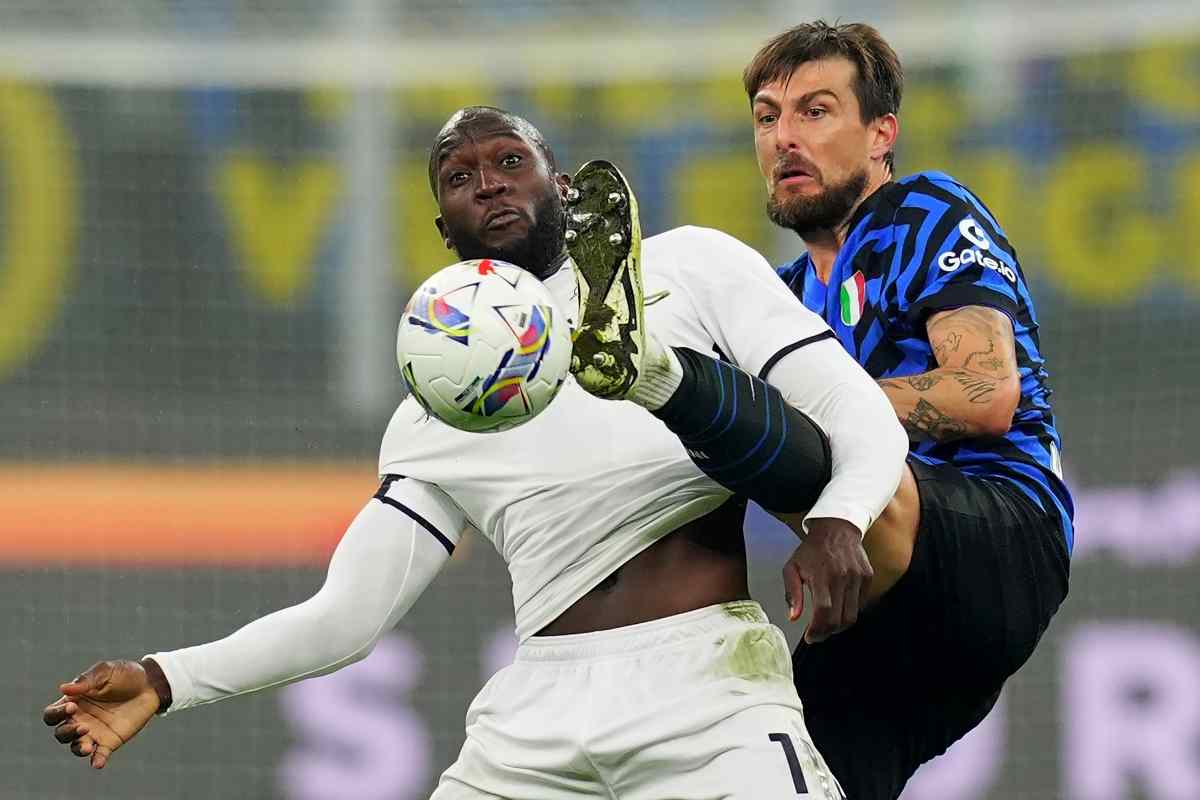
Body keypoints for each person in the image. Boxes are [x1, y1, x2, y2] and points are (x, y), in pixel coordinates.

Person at [43, 106, 907, 799]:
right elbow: (346, 617)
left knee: (686, 387)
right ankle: (639, 370)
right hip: (533, 723)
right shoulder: (436, 407)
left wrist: (838, 518)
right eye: (459, 178)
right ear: (443, 229)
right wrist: (164, 679)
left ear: (561, 186)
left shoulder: (691, 268)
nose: (487, 182)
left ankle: (644, 368)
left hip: (707, 692)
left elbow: (857, 411)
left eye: (509, 161)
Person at [734, 21, 1074, 800]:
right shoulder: (779, 299)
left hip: (1000, 533)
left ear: (881, 134)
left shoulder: (923, 212)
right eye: (767, 117)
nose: (785, 137)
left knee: (765, 415)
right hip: (883, 600)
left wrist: (824, 436)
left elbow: (987, 393)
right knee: (776, 771)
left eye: (815, 111)